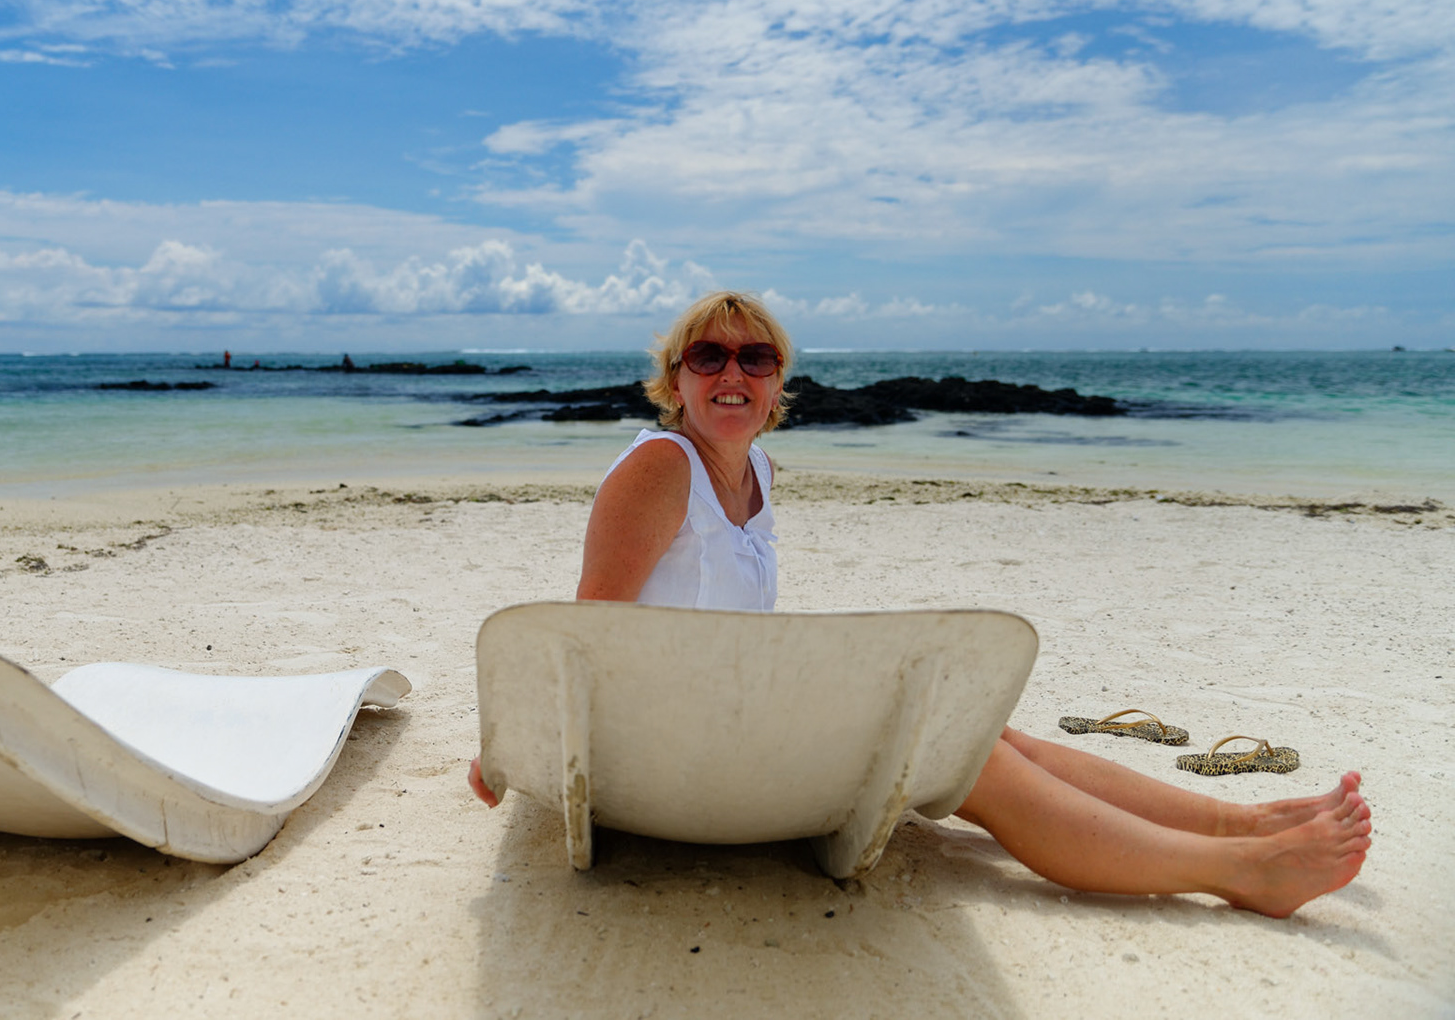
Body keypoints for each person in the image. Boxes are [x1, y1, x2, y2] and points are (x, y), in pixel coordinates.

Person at [469, 290, 1370, 918]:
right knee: (969, 761)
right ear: (675, 381)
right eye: (708, 356)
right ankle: (1239, 870)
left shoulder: (758, 472)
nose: (732, 371)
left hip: (725, 728)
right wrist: (513, 745)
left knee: (986, 731)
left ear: (778, 385)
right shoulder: (661, 468)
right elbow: (583, 634)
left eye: (756, 356)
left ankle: (1239, 820)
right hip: (670, 762)